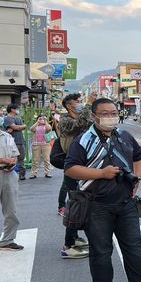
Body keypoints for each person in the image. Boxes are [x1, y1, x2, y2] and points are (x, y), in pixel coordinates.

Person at [64, 98, 141, 282]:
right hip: (96, 204)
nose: (110, 117)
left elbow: (139, 156)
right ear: (94, 116)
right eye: (105, 113)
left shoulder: (124, 136)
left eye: (113, 113)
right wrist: (101, 173)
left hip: (126, 202)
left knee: (134, 246)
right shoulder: (83, 140)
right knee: (101, 250)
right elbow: (71, 169)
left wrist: (136, 178)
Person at [58, 92, 95, 259]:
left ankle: (75, 237)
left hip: (85, 163)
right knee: (76, 202)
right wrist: (88, 104)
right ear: (69, 106)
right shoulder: (65, 120)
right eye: (77, 102)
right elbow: (78, 126)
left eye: (81, 101)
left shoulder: (83, 117)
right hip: (72, 165)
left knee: (82, 201)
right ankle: (68, 245)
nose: (80, 103)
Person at [0, 106, 24, 258]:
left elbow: (15, 155)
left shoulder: (7, 136)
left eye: (1, 115)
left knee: (11, 210)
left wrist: (12, 163)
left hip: (9, 175)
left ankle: (7, 240)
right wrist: (0, 160)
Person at [3, 104, 27, 180]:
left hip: (20, 141)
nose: (18, 110)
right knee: (12, 159)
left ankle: (22, 175)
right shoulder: (7, 118)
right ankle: (11, 175)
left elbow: (24, 126)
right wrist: (18, 127)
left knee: (21, 159)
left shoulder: (18, 118)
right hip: (12, 142)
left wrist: (17, 127)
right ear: (12, 109)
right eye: (17, 109)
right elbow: (15, 127)